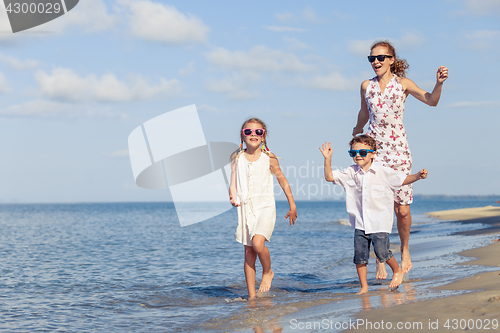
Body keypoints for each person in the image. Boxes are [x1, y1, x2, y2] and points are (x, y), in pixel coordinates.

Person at [352, 40, 448, 277]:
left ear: (391, 60)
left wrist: (438, 83)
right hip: (373, 152)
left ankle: (405, 249)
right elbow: (364, 113)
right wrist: (356, 130)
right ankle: (381, 256)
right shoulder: (366, 86)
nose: (376, 62)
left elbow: (431, 100)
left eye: (381, 58)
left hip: (398, 150)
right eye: (372, 58)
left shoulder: (402, 84)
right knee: (376, 206)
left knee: (401, 209)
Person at [320, 135, 428, 294]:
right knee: (359, 257)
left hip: (380, 221)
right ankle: (364, 287)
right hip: (360, 222)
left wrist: (418, 176)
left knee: (382, 252)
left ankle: (397, 271)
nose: (357, 155)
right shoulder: (350, 172)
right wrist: (328, 159)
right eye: (353, 153)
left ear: (373, 153)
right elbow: (329, 177)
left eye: (362, 152)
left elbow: (403, 179)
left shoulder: (383, 171)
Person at [229, 117, 297, 299]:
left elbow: (282, 180)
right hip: (245, 208)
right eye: (248, 131)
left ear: (264, 136)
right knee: (249, 252)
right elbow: (233, 182)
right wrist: (232, 195)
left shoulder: (269, 157)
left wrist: (292, 205)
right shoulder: (237, 157)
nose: (253, 134)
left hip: (265, 207)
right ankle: (251, 296)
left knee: (258, 244)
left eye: (258, 132)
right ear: (242, 136)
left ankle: (267, 272)